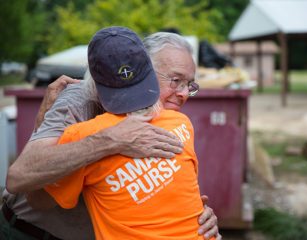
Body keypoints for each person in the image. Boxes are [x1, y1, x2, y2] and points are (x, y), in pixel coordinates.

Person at [2, 29, 220, 240]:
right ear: (141, 71)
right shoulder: (79, 100)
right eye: (176, 80)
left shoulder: (171, 119)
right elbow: (22, 181)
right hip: (30, 231)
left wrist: (197, 217)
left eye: (189, 84)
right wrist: (109, 140)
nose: (183, 94)